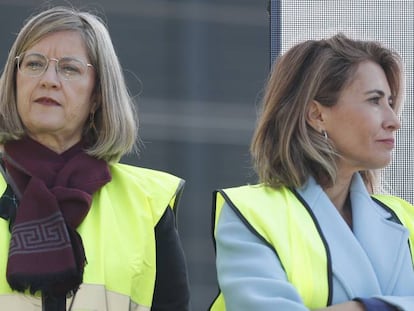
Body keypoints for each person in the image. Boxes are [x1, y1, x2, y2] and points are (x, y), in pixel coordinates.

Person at [0, 6, 190, 311]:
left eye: (69, 68)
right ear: (14, 81)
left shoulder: (147, 203)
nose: (48, 79)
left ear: (98, 94)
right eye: (34, 64)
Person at [210, 33, 414, 311]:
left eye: (390, 102)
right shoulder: (250, 215)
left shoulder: (405, 218)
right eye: (374, 100)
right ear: (317, 115)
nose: (394, 121)